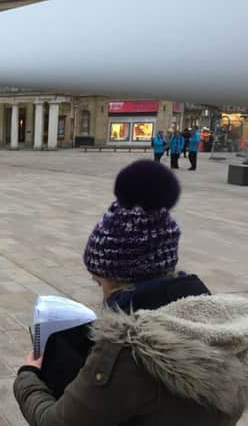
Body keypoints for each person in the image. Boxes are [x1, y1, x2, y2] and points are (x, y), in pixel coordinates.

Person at [13, 160, 248, 426]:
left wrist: (28, 376)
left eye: (99, 283)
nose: (102, 297)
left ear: (120, 278)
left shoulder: (126, 351)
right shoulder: (220, 325)